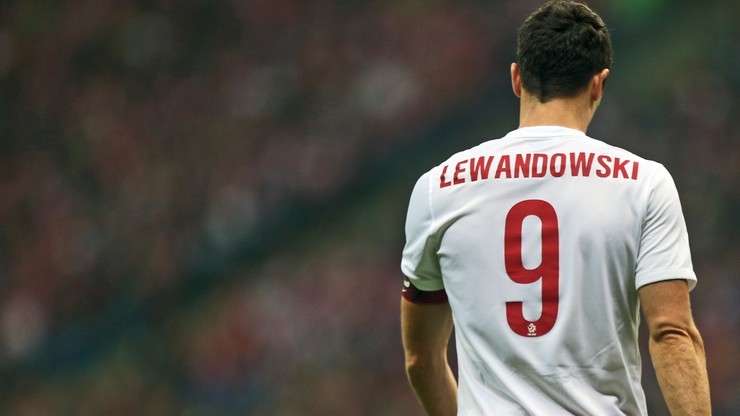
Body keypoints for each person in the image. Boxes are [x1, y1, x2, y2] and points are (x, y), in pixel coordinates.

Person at [399, 1, 711, 415]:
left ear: (516, 78)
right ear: (598, 84)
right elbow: (671, 333)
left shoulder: (439, 188)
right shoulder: (643, 183)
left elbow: (420, 360)